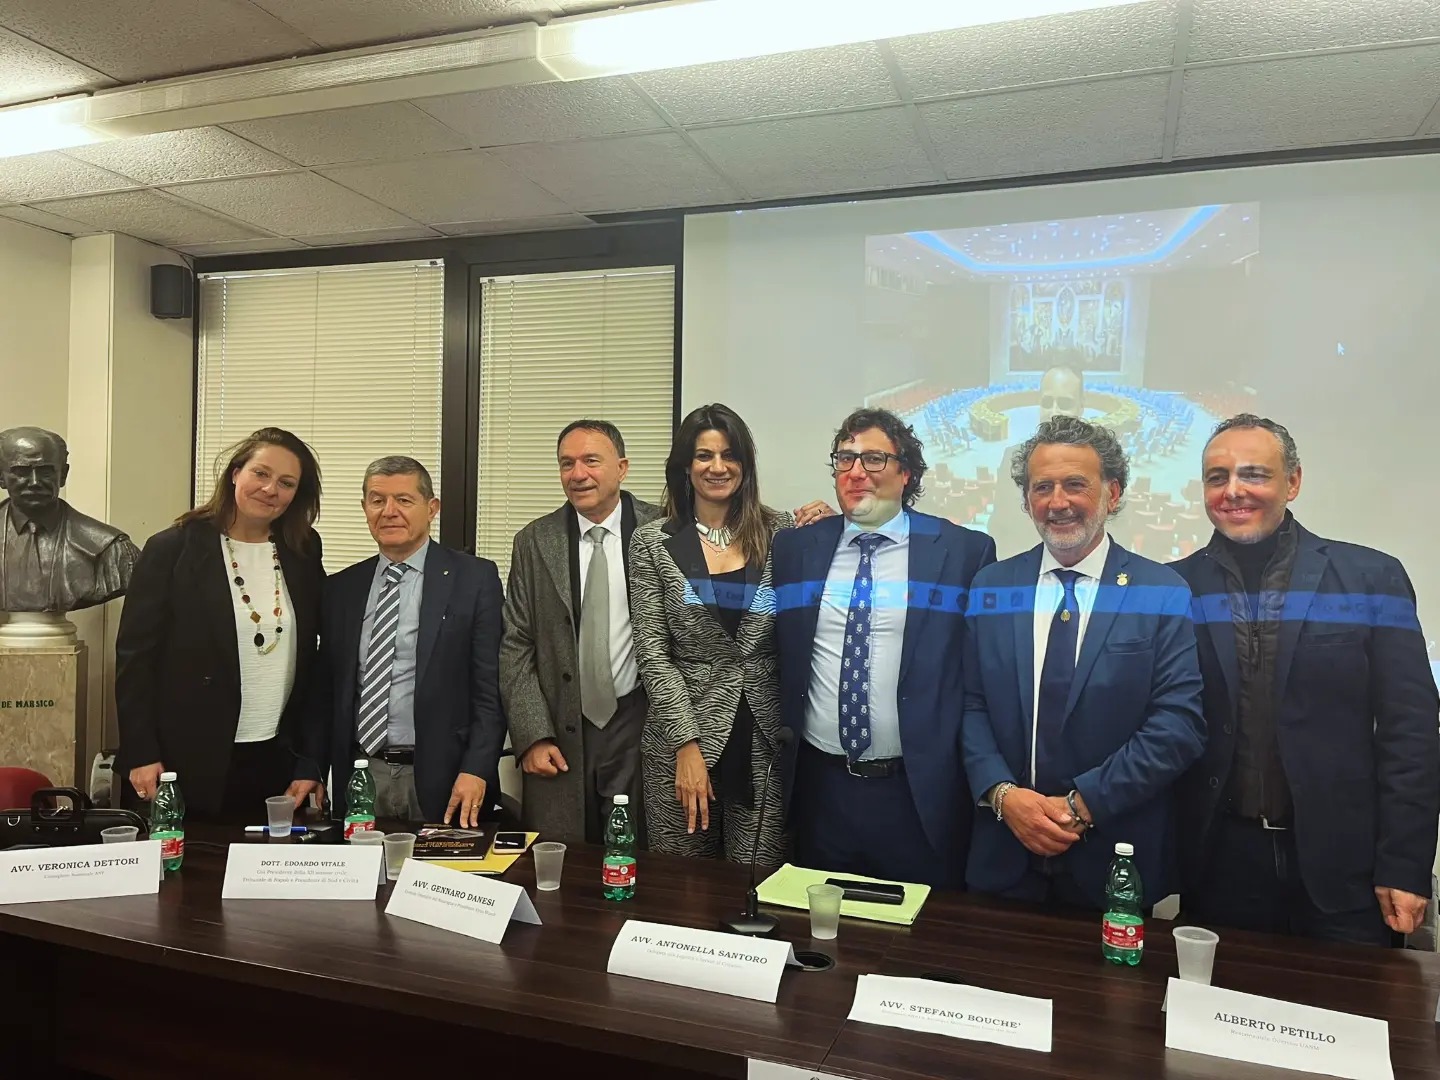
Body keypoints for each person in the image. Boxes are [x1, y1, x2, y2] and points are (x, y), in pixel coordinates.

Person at [1173, 415, 1440, 945]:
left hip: (1348, 871)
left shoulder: (1370, 578)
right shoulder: (1175, 586)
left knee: (1356, 999)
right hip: (1220, 868)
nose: (1233, 491)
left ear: (1292, 482)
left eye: (1254, 474)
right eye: (1217, 477)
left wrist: (1405, 863)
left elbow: (1411, 730)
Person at [962, 415, 1204, 908]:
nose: (1058, 502)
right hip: (1004, 853)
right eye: (1042, 487)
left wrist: (1084, 803)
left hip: (1115, 860)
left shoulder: (1161, 591)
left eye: (1075, 484)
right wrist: (1004, 795)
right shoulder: (992, 586)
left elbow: (1178, 724)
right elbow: (970, 704)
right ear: (1026, 500)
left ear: (1112, 494)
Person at [772, 407, 995, 887]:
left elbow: (978, 676)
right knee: (820, 924)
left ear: (906, 471)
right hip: (821, 790)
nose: (856, 472)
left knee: (920, 927)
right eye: (845, 459)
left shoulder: (963, 552)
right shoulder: (796, 548)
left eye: (873, 459)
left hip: (916, 793)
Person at [629, 404, 833, 862]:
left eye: (729, 455)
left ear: (745, 464)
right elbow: (653, 652)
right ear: (685, 466)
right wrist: (686, 744)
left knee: (759, 879)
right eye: (704, 456)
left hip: (765, 737)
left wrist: (833, 524)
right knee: (683, 884)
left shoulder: (783, 533)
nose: (717, 467)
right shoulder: (651, 542)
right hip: (682, 737)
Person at [115, 427, 324, 819]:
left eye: (286, 483)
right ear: (235, 473)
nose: (270, 489)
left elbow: (315, 662)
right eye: (261, 473)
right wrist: (140, 752)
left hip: (277, 757)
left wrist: (310, 759)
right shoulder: (172, 549)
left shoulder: (303, 549)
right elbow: (135, 660)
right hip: (187, 756)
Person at [292, 456, 504, 828]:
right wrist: (312, 766)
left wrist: (477, 768)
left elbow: (491, 688)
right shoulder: (341, 589)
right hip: (360, 775)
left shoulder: (474, 579)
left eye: (404, 500)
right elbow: (325, 689)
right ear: (365, 508)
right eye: (377, 500)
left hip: (446, 777)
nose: (389, 511)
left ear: (432, 508)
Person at [500, 420, 661, 845]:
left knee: (640, 854)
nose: (578, 474)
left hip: (640, 723)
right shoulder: (534, 541)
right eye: (566, 463)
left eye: (591, 460)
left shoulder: (664, 529)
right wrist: (532, 735)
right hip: (560, 730)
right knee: (562, 861)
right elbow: (516, 643)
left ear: (622, 468)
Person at [0, 426, 140, 613]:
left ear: (63, 474)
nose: (34, 482)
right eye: (21, 471)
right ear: (1, 476)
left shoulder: (111, 550)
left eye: (45, 471)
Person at [988, 366, 1085, 559]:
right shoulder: (1012, 458)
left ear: (1081, 408)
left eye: (1064, 403)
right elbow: (999, 526)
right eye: (1047, 402)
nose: (1054, 412)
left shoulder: (1105, 462)